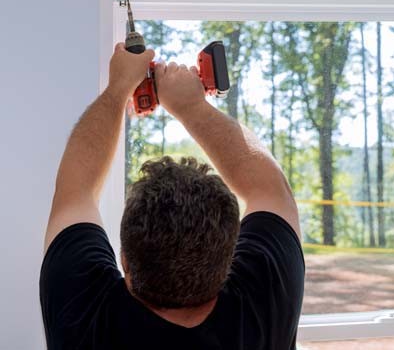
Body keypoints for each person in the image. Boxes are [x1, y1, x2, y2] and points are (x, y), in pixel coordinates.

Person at [40, 43, 305, 349]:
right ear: (228, 260)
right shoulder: (264, 303)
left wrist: (118, 89)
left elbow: (75, 190)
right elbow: (271, 189)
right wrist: (192, 107)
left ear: (125, 260)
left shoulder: (83, 316)